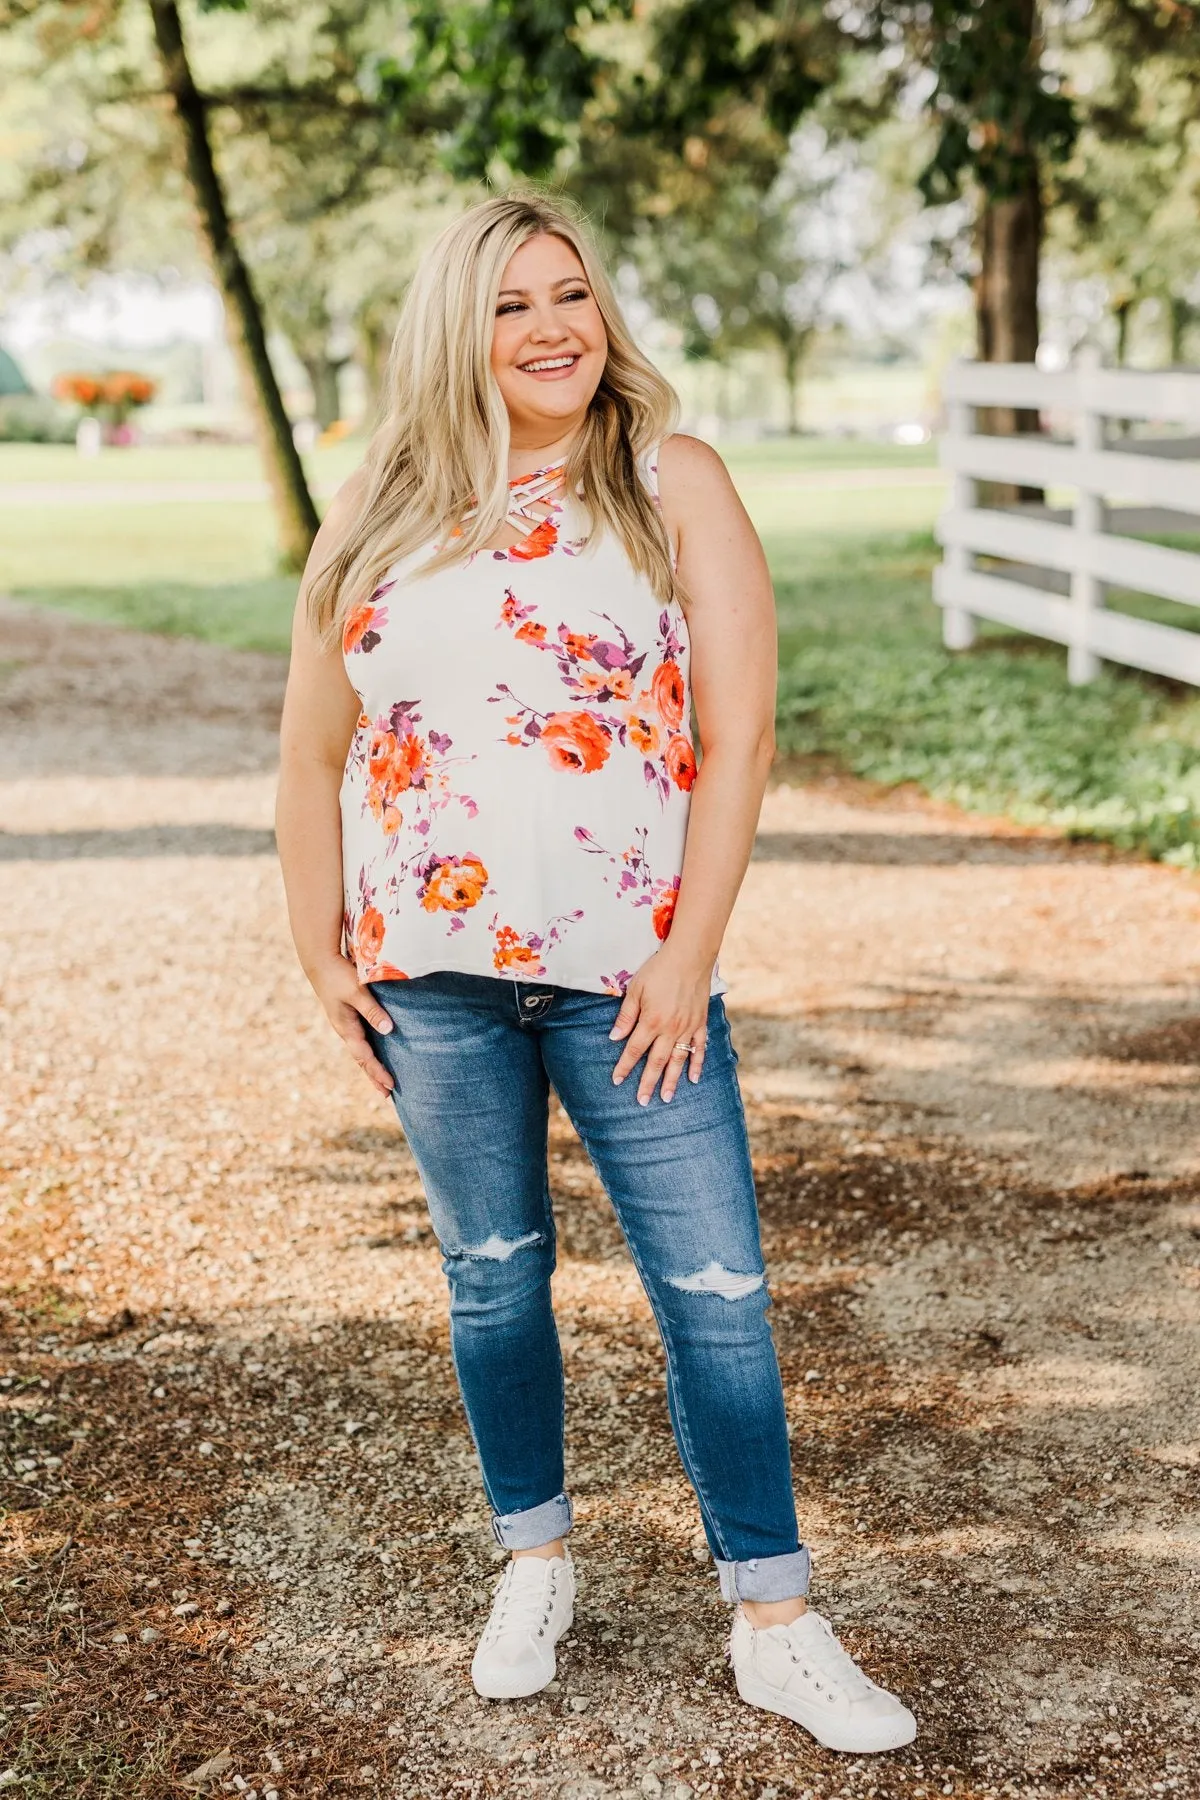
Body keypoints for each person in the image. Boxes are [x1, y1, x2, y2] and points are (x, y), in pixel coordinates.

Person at [275, 191, 916, 1756]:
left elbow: (737, 737)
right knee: (492, 1280)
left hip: (630, 981)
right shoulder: (375, 503)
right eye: (513, 303)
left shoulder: (666, 478)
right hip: (430, 984)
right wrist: (320, 953)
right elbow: (310, 752)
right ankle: (535, 1560)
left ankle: (776, 1618)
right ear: (457, 331)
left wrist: (690, 957)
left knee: (717, 1288)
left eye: (573, 291)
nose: (555, 325)